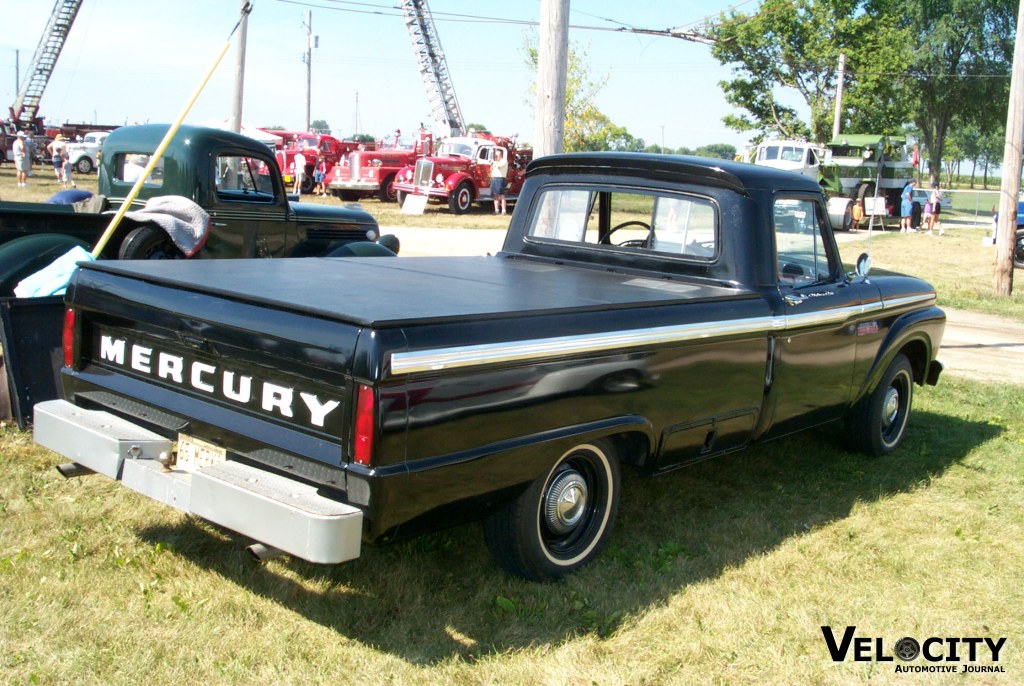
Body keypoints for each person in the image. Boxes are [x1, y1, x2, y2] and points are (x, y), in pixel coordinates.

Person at [490, 147, 509, 215]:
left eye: (497, 155)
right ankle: (496, 210)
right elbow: (491, 168)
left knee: (501, 195)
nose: (496, 157)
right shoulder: (495, 161)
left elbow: (499, 166)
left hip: (500, 179)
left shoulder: (504, 161)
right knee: (495, 195)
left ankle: (504, 211)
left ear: (500, 155)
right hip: (494, 178)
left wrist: (495, 162)